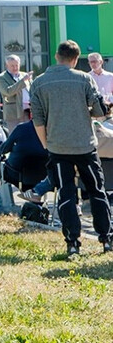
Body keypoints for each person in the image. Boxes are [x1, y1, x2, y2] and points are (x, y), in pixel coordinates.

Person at [30, 39, 112, 258]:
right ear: (76, 59)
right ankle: (106, 238)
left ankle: (72, 242)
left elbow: (37, 119)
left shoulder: (39, 82)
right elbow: (99, 112)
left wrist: (47, 144)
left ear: (57, 56)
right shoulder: (85, 79)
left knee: (66, 193)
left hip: (58, 147)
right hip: (85, 145)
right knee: (96, 191)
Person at [0, 108, 48, 194]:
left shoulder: (21, 128)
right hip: (45, 175)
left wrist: (0, 151)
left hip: (17, 174)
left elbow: (6, 147)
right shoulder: (53, 131)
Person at [0, 54, 31, 133]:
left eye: (16, 65)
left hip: (27, 111)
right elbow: (8, 92)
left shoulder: (24, 75)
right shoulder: (2, 77)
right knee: (15, 135)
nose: (15, 68)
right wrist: (22, 81)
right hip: (13, 112)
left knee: (28, 135)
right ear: (7, 66)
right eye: (12, 66)